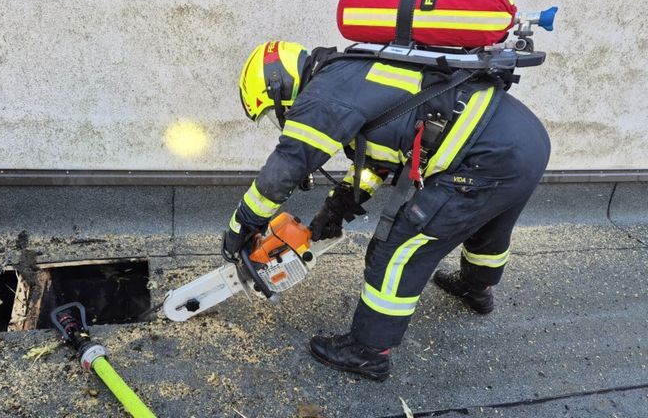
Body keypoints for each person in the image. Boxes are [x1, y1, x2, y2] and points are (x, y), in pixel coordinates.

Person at [223, 41, 551, 381]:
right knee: (489, 228)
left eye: (274, 109)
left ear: (279, 89)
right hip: (525, 142)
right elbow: (379, 159)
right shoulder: (350, 74)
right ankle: (476, 287)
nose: (283, 116)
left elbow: (288, 165)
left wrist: (242, 225)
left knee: (397, 250)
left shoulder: (322, 97)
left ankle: (368, 351)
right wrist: (338, 207)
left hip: (487, 158)